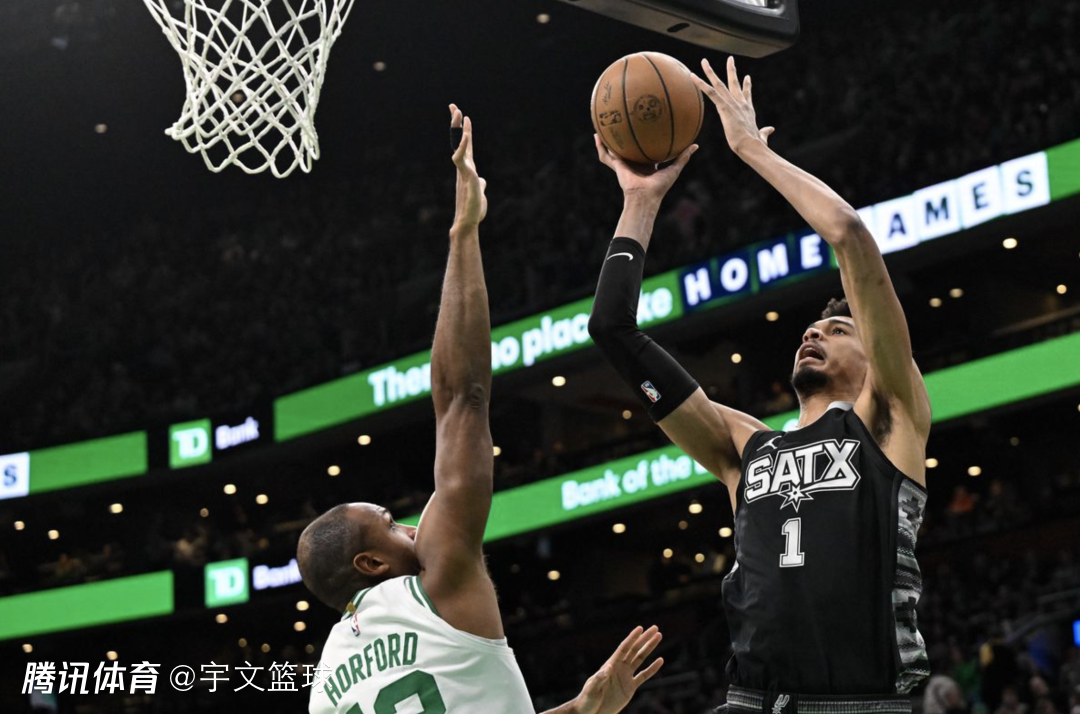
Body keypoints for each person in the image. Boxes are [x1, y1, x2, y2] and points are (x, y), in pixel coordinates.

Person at [587, 57, 931, 709]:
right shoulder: (744, 449)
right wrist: (640, 202)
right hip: (749, 701)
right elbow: (612, 328)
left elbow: (849, 236)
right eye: (811, 329)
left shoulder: (888, 417)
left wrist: (750, 149)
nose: (813, 334)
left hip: (855, 703)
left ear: (879, 359)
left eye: (838, 330)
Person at [298, 105, 664, 714]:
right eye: (392, 525)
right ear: (372, 563)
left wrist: (581, 709)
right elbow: (461, 400)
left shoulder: (325, 687)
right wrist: (464, 231)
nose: (412, 527)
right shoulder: (438, 584)